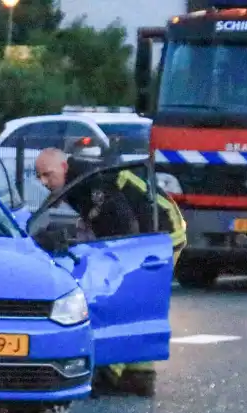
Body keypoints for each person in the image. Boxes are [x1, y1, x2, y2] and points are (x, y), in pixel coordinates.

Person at [34, 148, 187, 397]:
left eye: (47, 174)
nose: (43, 182)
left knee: (121, 296)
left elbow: (120, 226)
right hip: (154, 232)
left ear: (63, 167)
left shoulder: (91, 182)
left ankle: (109, 373)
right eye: (38, 176)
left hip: (162, 234)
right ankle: (139, 375)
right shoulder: (80, 179)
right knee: (139, 302)